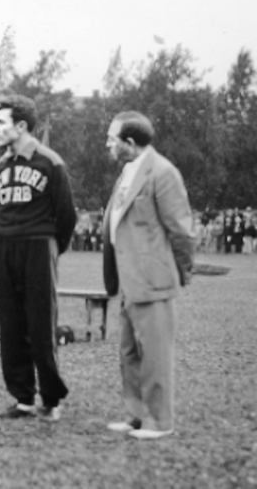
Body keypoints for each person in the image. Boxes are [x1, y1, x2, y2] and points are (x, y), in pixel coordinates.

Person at [102, 111, 193, 440]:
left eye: (112, 140)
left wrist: (180, 273)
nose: (108, 145)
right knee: (130, 353)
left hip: (153, 280)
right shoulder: (127, 172)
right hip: (129, 280)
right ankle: (136, 415)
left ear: (129, 143)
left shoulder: (163, 172)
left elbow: (181, 231)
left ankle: (159, 420)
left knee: (154, 354)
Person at [0, 95, 77, 421]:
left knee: (40, 326)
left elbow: (66, 215)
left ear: (22, 126)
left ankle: (51, 399)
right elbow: (0, 210)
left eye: (1, 122)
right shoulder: (0, 165)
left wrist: (53, 249)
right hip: (5, 247)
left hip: (38, 247)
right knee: (11, 326)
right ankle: (23, 398)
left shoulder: (50, 162)